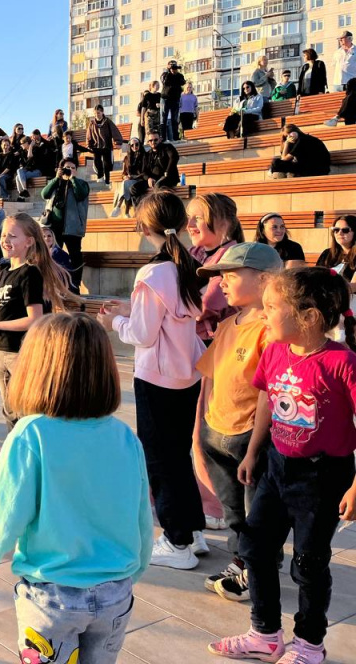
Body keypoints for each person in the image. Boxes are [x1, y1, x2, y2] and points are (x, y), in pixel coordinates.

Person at [0, 312, 151, 663]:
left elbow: (5, 514)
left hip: (53, 595)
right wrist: (137, 565)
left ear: (36, 368)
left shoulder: (31, 434)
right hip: (116, 591)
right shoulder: (124, 436)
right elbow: (140, 511)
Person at [208, 267, 356, 663]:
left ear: (308, 317)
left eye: (272, 307)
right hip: (276, 465)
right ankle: (265, 634)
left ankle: (309, 644)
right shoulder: (273, 350)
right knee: (256, 548)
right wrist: (255, 451)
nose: (265, 314)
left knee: (308, 563)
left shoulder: (342, 362)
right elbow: (267, 401)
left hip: (322, 476)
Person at [98, 190, 207, 569]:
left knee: (160, 461)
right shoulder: (187, 263)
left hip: (157, 377)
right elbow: (174, 314)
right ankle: (193, 531)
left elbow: (142, 334)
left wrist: (115, 322)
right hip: (185, 374)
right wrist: (131, 308)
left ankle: (178, 542)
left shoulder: (153, 272)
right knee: (178, 455)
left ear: (145, 226)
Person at [193, 242, 282, 605]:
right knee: (233, 510)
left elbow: (268, 393)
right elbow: (210, 377)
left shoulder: (271, 331)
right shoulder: (229, 324)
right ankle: (241, 561)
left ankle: (255, 567)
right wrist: (202, 430)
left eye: (230, 275)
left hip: (249, 437)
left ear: (263, 281)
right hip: (218, 432)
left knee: (255, 511)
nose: (222, 283)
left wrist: (257, 445)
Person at [0, 213, 76, 423]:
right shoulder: (5, 272)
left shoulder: (30, 273)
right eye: (3, 235)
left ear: (29, 242)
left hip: (22, 352)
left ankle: (29, 452)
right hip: (4, 349)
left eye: (12, 236)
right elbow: (9, 310)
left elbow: (34, 319)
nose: (5, 240)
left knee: (25, 411)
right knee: (10, 410)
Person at [188, 192, 244, 342]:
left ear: (223, 222)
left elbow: (204, 308)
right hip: (189, 337)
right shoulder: (192, 253)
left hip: (215, 342)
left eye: (198, 218)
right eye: (189, 217)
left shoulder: (232, 257)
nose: (189, 225)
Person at [41, 158, 88, 292]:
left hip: (72, 227)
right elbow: (44, 194)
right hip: (55, 226)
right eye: (67, 167)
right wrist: (56, 178)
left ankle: (75, 284)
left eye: (72, 167)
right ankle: (54, 283)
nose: (69, 169)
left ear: (76, 170)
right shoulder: (56, 182)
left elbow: (81, 195)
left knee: (75, 256)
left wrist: (73, 179)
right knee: (53, 255)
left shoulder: (82, 183)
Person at [86, 104, 125, 186]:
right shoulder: (92, 123)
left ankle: (107, 180)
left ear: (102, 112)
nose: (97, 115)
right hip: (96, 146)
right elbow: (89, 135)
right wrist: (89, 145)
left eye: (99, 113)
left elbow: (114, 131)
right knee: (97, 161)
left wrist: (117, 141)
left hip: (106, 145)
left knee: (107, 163)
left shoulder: (107, 121)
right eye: (96, 113)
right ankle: (100, 176)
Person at [315, 214, 356, 283]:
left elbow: (354, 286)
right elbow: (316, 277)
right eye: (336, 229)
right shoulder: (327, 253)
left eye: (345, 230)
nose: (340, 233)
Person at [112, 138, 146, 218]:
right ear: (130, 146)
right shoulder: (127, 158)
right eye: (132, 145)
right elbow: (123, 173)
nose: (134, 146)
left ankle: (119, 207)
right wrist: (125, 177)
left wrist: (133, 177)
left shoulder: (144, 156)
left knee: (125, 184)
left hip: (140, 180)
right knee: (125, 183)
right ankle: (125, 212)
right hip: (129, 181)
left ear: (140, 145)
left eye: (137, 144)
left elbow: (144, 172)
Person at [161, 60, 187, 141]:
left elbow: (183, 82)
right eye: (172, 67)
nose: (173, 69)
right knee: (163, 119)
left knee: (174, 119)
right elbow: (165, 81)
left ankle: (176, 137)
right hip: (166, 98)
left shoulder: (179, 75)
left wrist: (176, 74)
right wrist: (169, 72)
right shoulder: (165, 74)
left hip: (175, 99)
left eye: (175, 67)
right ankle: (163, 137)